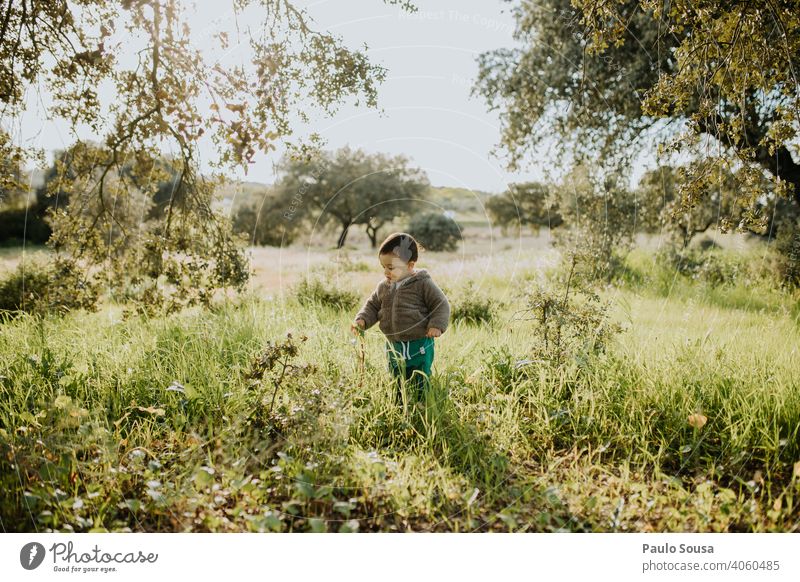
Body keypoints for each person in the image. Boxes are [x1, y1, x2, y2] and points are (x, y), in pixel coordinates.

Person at [351, 232, 450, 403]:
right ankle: (398, 401)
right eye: (383, 267)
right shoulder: (384, 286)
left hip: (419, 341)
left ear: (410, 265)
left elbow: (440, 304)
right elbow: (373, 305)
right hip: (394, 343)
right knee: (396, 373)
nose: (385, 272)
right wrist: (362, 320)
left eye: (391, 267)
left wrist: (436, 325)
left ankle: (421, 402)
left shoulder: (422, 283)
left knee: (419, 374)